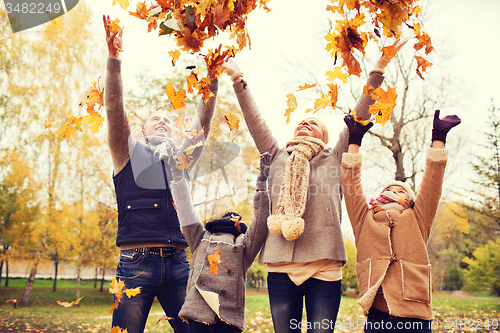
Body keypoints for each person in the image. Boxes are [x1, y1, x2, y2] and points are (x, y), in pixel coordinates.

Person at [221, 40, 406, 333]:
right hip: (281, 265)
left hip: (324, 266)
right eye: (301, 122)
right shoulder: (277, 154)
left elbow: (359, 116)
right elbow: (254, 120)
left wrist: (378, 70)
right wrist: (237, 79)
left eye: (313, 122)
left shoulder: (334, 157)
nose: (305, 123)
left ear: (325, 134)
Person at [103, 15, 219, 333]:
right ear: (141, 130)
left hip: (179, 263)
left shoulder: (180, 159)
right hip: (135, 263)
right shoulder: (127, 152)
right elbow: (114, 112)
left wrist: (213, 78)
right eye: (156, 119)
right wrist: (114, 59)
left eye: (168, 119)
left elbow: (202, 127)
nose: (164, 121)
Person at [341, 110, 461, 332]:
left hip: (414, 316)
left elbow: (432, 184)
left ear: (410, 200)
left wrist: (438, 139)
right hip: (377, 318)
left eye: (401, 191)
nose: (395, 191)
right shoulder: (365, 218)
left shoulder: (417, 217)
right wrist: (354, 141)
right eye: (389, 189)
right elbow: (351, 187)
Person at [168, 152, 271, 333]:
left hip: (228, 314)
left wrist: (262, 185)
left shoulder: (243, 243)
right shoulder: (202, 236)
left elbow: (261, 222)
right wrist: (178, 178)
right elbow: (186, 212)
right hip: (198, 310)